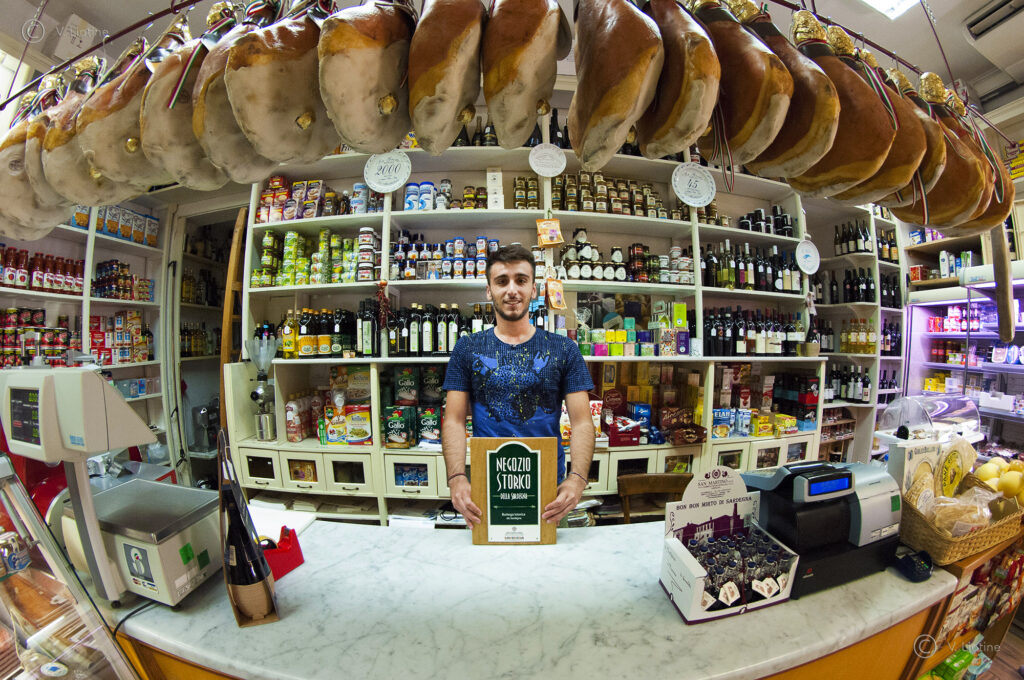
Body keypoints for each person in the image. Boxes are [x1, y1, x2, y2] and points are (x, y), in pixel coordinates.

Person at [442, 244, 596, 527]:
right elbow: (453, 420)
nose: (512, 290)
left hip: (550, 490)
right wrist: (457, 477)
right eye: (502, 281)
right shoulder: (467, 348)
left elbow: (582, 422)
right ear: (489, 290)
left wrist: (577, 479)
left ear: (533, 289)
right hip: (487, 485)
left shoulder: (564, 349)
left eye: (521, 280)